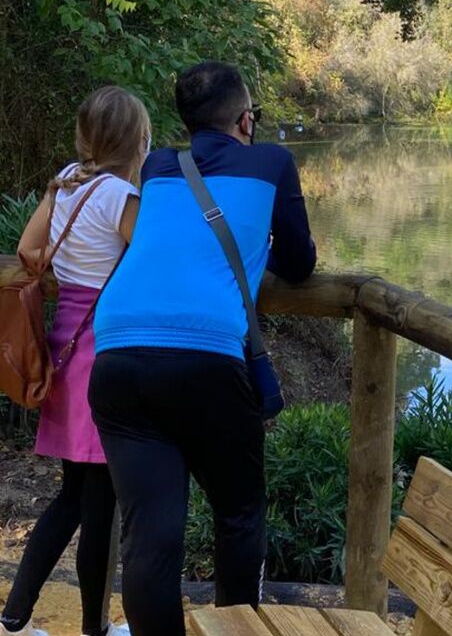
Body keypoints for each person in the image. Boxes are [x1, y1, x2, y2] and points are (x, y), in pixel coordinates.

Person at [88, 62, 317, 636]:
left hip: (116, 347)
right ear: (246, 119)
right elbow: (300, 262)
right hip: (206, 354)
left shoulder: (163, 165)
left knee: (151, 535)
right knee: (238, 515)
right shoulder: (273, 163)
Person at [2, 86, 149, 636]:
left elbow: (27, 250)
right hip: (102, 350)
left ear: (84, 138)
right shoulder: (120, 198)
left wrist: (68, 266)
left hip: (64, 345)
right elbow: (148, 260)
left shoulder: (66, 181)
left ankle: (16, 616)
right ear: (139, 140)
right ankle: (93, 628)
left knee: (73, 495)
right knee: (97, 504)